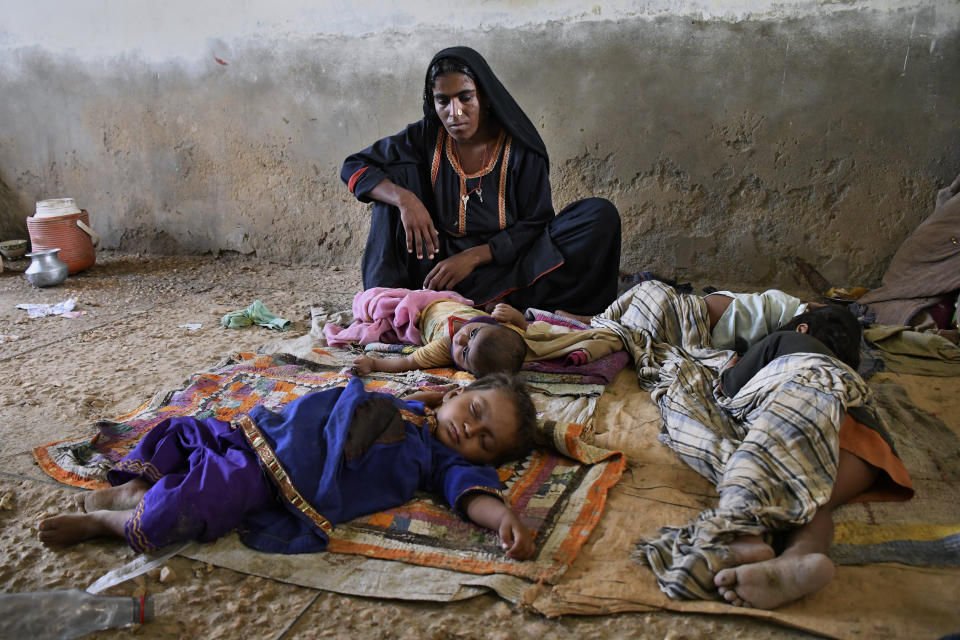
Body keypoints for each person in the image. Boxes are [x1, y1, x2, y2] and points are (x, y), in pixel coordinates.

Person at [38, 374, 538, 560]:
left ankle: (111, 521)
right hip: (261, 431)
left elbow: (472, 492)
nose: (469, 432)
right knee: (181, 430)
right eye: (473, 413)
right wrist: (413, 395)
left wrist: (505, 517)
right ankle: (140, 485)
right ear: (456, 393)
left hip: (270, 479)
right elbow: (413, 395)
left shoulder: (440, 461)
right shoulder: (414, 407)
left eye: (484, 442)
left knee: (184, 509)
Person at [341, 46, 621, 316]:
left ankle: (486, 303)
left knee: (599, 215)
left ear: (484, 97)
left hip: (508, 262)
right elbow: (354, 166)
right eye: (443, 101)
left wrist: (475, 256)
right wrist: (406, 200)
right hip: (438, 267)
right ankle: (390, 303)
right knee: (390, 189)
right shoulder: (426, 137)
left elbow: (535, 223)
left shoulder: (520, 149)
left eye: (465, 98)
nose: (455, 112)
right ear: (432, 102)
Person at [708, 306, 913, 609]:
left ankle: (750, 535)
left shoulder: (786, 342)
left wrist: (730, 368)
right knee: (816, 506)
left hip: (807, 404)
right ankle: (799, 558)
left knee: (759, 465)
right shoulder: (848, 374)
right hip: (865, 440)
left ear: (801, 329)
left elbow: (731, 385)